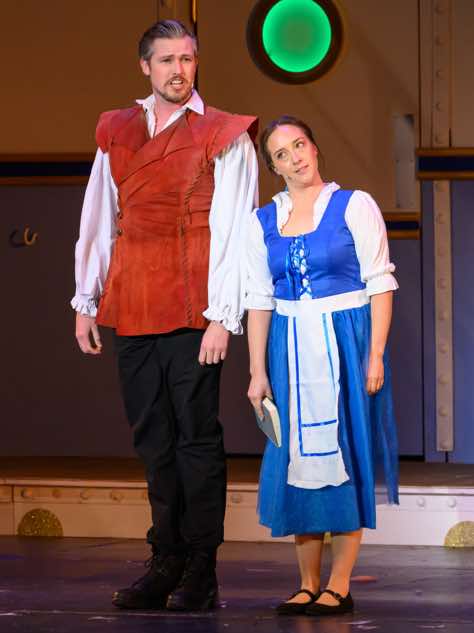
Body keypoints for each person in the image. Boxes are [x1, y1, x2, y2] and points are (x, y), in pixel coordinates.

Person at [72, 19, 258, 612]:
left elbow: (235, 231)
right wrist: (86, 299)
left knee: (195, 438)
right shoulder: (117, 129)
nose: (179, 70)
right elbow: (101, 216)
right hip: (132, 299)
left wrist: (222, 315)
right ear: (145, 67)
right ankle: (166, 559)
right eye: (167, 60)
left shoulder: (224, 133)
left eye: (188, 59)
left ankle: (201, 566)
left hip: (192, 304)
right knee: (153, 437)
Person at [245, 116, 398, 616]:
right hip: (289, 349)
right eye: (281, 154)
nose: (295, 158)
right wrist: (257, 372)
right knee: (297, 458)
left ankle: (339, 583)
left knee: (345, 452)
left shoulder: (354, 205)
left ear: (314, 147)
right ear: (273, 167)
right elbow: (259, 300)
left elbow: (380, 283)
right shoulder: (262, 222)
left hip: (345, 343)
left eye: (299, 145)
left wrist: (375, 354)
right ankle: (307, 583)